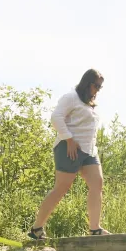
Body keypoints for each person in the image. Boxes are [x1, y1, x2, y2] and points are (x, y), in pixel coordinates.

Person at [28, 69, 109, 240]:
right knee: (61, 188)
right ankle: (36, 228)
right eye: (96, 86)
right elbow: (56, 117)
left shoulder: (89, 103)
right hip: (69, 149)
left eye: (101, 87)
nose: (98, 90)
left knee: (97, 184)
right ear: (87, 83)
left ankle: (95, 229)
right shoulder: (71, 97)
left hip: (89, 151)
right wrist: (69, 139)